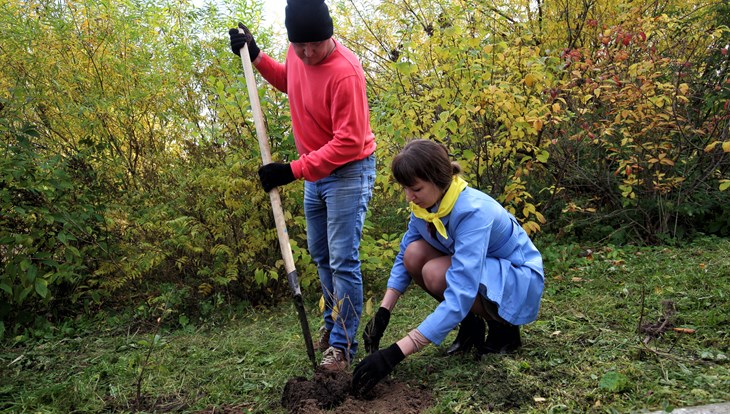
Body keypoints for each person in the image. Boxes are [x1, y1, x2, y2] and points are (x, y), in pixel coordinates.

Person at [228, 0, 376, 372]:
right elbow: (289, 81)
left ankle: (342, 347)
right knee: (322, 258)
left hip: (348, 172)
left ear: (330, 33)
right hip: (316, 174)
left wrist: (292, 170)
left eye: (315, 45)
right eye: (300, 46)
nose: (308, 54)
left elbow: (348, 142)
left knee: (343, 260)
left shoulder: (346, 73)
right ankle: (332, 328)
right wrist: (258, 57)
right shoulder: (298, 55)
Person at [351, 139, 544, 394]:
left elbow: (460, 290)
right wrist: (384, 311)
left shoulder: (472, 211)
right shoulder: (425, 206)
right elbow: (403, 257)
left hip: (518, 280)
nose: (409, 196)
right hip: (485, 273)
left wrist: (394, 353)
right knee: (414, 254)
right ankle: (471, 324)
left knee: (435, 272)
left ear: (438, 179)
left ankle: (504, 328)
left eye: (416, 188)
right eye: (406, 189)